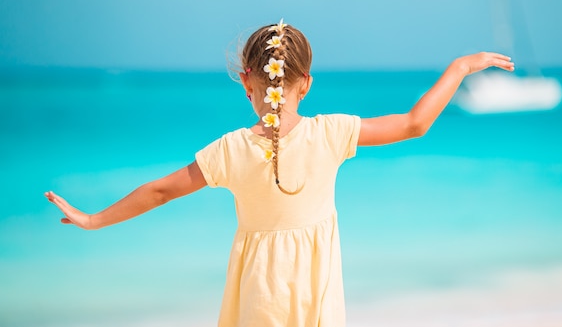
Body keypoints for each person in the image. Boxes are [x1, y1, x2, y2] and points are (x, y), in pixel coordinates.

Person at [45, 19, 514, 327]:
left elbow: (161, 191)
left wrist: (94, 219)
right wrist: (459, 68)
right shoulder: (332, 133)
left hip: (257, 298)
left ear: (246, 79)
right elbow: (415, 124)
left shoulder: (231, 149)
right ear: (305, 84)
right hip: (316, 298)